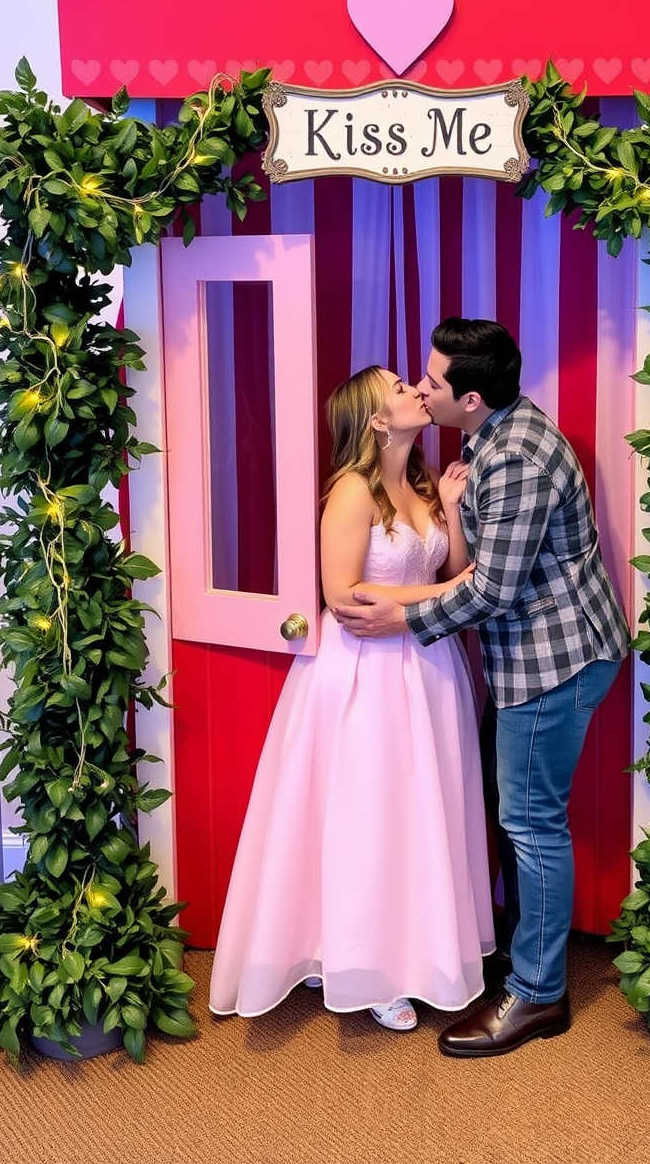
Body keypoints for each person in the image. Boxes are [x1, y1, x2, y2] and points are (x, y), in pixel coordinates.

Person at [335, 319, 630, 1058]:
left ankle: (537, 997)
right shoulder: (487, 433)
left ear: (469, 398)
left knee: (531, 824)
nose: (422, 386)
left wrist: (401, 618)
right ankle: (521, 956)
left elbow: (493, 590)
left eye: (433, 381)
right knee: (512, 812)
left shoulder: (519, 458)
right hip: (526, 656)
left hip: (552, 661)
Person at [208, 365, 495, 1032]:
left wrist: (452, 511)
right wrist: (451, 595)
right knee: (370, 814)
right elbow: (343, 599)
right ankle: (369, 968)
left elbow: (451, 569)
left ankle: (419, 950)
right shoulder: (351, 491)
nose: (416, 393)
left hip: (428, 669)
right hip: (366, 672)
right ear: (374, 420)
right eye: (399, 389)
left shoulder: (421, 482)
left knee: (423, 811)